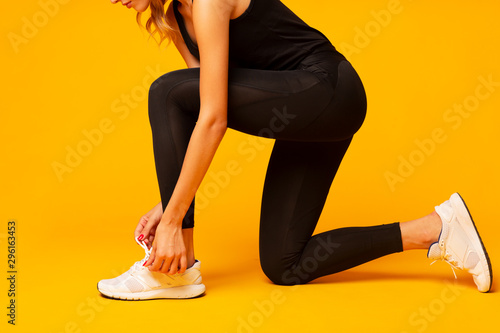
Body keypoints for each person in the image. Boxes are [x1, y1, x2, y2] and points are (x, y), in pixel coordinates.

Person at [97, 0, 492, 300]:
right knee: (284, 264)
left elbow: (214, 118)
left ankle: (176, 268)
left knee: (164, 91)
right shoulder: (178, 21)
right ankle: (436, 229)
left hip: (329, 90)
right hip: (304, 112)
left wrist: (173, 221)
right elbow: (203, 116)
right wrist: (170, 203)